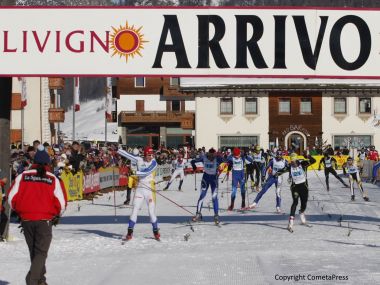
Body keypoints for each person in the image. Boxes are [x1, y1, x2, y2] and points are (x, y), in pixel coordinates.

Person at [7, 145, 67, 285]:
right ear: (48, 163)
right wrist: (56, 215)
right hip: (44, 220)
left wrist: (20, 211)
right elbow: (62, 202)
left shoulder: (23, 176)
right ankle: (32, 281)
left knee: (34, 252)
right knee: (40, 252)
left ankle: (41, 280)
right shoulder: (52, 178)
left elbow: (11, 197)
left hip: (26, 220)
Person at [118, 146, 160, 241]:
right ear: (145, 154)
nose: (151, 156)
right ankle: (129, 232)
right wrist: (118, 149)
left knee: (151, 212)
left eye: (152, 154)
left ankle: (156, 231)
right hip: (140, 189)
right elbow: (127, 155)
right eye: (149, 155)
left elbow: (145, 172)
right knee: (135, 210)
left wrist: (133, 173)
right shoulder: (139, 159)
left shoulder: (154, 163)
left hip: (149, 189)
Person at [278, 153, 316, 232]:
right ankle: (291, 222)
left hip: (304, 186)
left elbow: (313, 161)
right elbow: (280, 171)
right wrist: (274, 174)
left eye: (294, 161)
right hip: (295, 187)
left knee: (304, 202)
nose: (293, 163)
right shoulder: (289, 166)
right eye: (291, 162)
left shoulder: (303, 164)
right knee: (295, 202)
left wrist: (308, 156)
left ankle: (301, 212)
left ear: (297, 160)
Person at [191, 148, 225, 225]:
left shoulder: (218, 158)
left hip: (214, 180)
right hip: (205, 179)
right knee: (202, 196)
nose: (212, 157)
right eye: (210, 155)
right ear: (208, 154)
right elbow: (193, 161)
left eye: (213, 155)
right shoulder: (204, 157)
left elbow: (228, 160)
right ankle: (198, 214)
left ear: (215, 154)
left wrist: (229, 164)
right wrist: (194, 166)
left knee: (214, 197)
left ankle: (216, 215)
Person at [0, 175, 8, 242]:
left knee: (4, 218)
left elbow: (3, 196)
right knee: (4, 218)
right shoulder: (0, 186)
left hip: (1, 207)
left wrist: (5, 198)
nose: (6, 180)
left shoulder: (2, 186)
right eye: (5, 178)